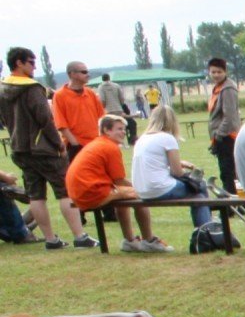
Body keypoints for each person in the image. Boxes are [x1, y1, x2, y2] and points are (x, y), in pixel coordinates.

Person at [2, 47, 93, 249]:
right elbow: (45, 119)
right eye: (32, 62)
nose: (35, 66)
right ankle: (80, 236)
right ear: (19, 63)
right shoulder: (32, 88)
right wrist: (58, 143)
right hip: (43, 149)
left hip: (19, 148)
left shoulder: (3, 88)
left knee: (36, 195)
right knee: (65, 191)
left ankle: (51, 240)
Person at [65, 115, 167, 252]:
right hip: (91, 192)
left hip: (79, 193)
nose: (124, 132)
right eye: (119, 129)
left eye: (124, 129)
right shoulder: (109, 147)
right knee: (140, 194)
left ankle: (129, 240)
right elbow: (119, 180)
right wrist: (142, 186)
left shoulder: (98, 143)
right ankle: (149, 240)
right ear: (106, 130)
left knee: (124, 194)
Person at [130, 105, 214, 231]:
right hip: (158, 189)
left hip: (141, 189)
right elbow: (177, 173)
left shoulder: (142, 138)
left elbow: (154, 163)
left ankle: (207, 226)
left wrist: (179, 163)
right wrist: (186, 173)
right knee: (199, 187)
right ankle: (207, 229)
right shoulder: (167, 138)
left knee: (198, 194)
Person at [51, 62, 105, 165]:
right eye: (84, 72)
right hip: (76, 145)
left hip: (95, 143)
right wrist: (75, 144)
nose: (87, 74)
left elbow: (102, 117)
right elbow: (61, 124)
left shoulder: (90, 93)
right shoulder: (60, 95)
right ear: (72, 74)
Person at [205, 58, 240, 192]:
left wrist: (218, 135)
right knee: (227, 173)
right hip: (220, 137)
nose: (216, 75)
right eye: (213, 72)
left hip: (227, 136)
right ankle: (236, 204)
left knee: (229, 173)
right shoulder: (217, 88)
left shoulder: (228, 88)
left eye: (219, 72)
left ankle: (235, 205)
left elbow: (229, 116)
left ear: (225, 72)